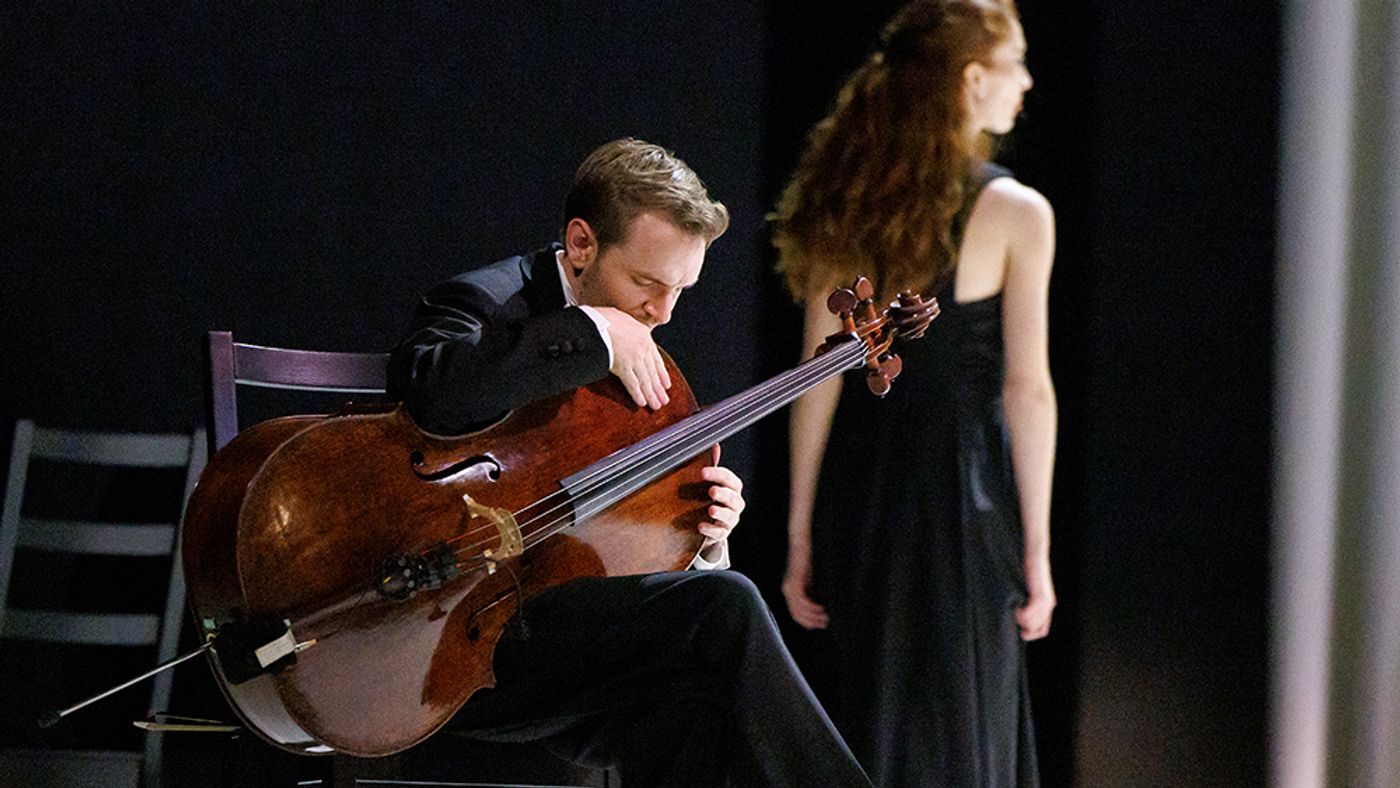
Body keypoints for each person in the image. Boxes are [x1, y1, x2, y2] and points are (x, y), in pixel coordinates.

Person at [388, 138, 871, 787]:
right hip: (444, 639)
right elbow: (428, 387)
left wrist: (702, 539)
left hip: (563, 640)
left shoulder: (643, 352)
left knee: (693, 701)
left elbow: (614, 554)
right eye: (647, 283)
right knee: (723, 610)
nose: (662, 313)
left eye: (682, 290)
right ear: (582, 244)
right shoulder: (487, 301)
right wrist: (589, 334)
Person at [770, 1, 1056, 786]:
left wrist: (798, 534)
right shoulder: (1017, 213)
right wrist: (1037, 552)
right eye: (1015, 64)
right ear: (971, 80)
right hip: (965, 507)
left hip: (865, 499)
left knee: (873, 721)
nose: (1027, 83)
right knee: (964, 730)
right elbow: (1028, 390)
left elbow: (813, 383)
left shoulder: (849, 205)